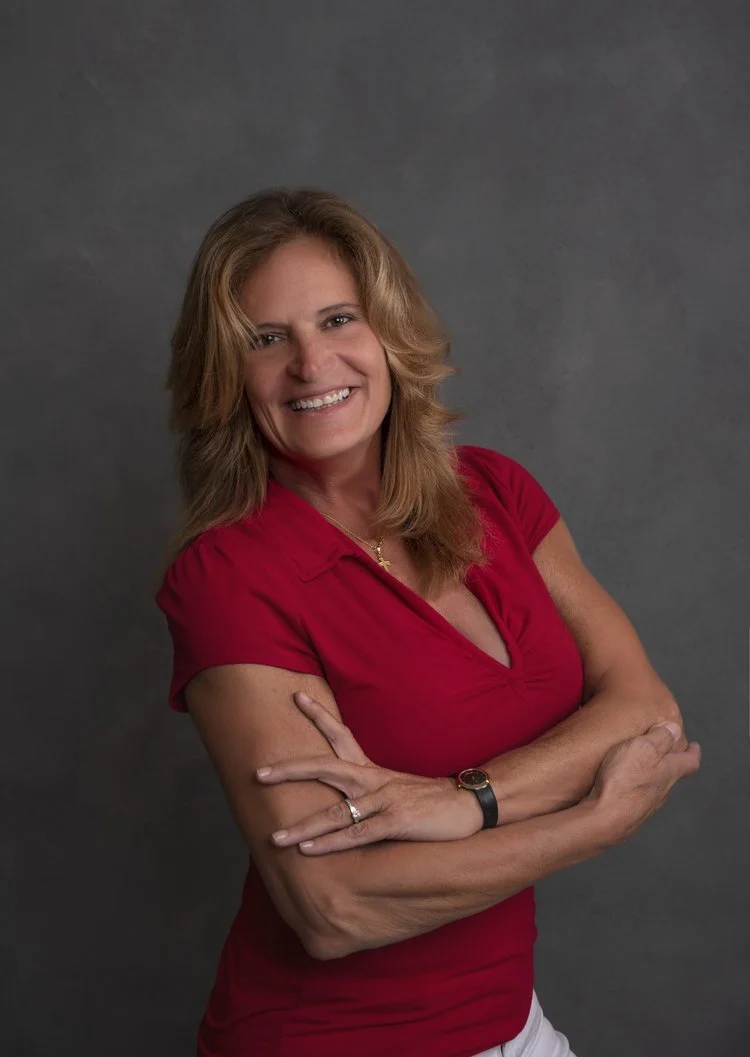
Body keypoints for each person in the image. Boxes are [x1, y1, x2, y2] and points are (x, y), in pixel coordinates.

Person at [154, 187, 701, 1057]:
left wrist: (461, 803)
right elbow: (333, 907)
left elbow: (647, 710)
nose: (311, 362)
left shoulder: (497, 494)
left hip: (510, 1026)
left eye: (338, 318)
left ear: (388, 333)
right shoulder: (230, 575)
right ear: (227, 375)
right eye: (266, 339)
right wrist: (590, 821)